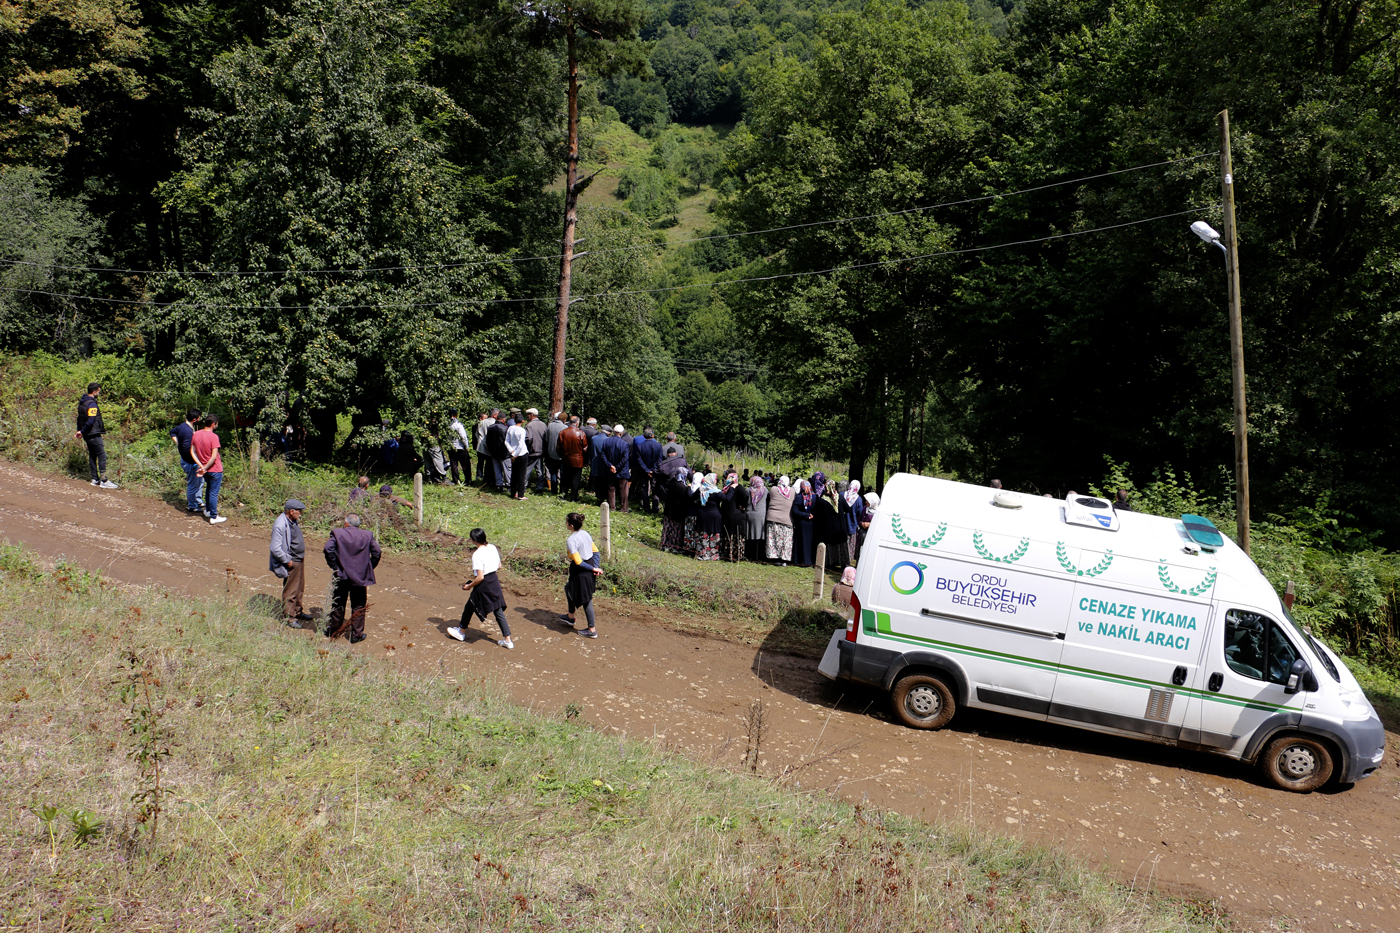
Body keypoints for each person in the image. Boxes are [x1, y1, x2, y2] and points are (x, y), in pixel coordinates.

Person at [447, 528, 512, 648]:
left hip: (484, 585)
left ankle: (461, 632)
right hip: (494, 582)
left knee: (470, 605)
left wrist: (469, 586)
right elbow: (499, 566)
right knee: (498, 610)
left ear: (473, 540)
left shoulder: (477, 555)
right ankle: (507, 640)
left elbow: (480, 577)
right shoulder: (492, 547)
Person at [323, 513, 381, 645]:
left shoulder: (337, 533)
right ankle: (356, 635)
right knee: (359, 605)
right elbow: (377, 552)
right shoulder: (367, 535)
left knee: (338, 603)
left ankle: (333, 631)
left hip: (342, 575)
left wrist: (335, 566)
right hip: (360, 576)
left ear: (346, 522)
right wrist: (369, 567)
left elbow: (328, 549)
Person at [560, 512, 604, 638]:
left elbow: (578, 562)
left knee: (586, 599)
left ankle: (592, 630)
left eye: (566, 521)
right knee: (568, 588)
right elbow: (596, 552)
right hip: (588, 566)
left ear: (571, 525)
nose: (565, 523)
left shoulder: (571, 540)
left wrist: (593, 569)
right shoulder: (585, 533)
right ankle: (570, 616)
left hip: (581, 570)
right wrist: (595, 567)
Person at [269, 499, 312, 627]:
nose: (300, 514)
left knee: (299, 588)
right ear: (291, 511)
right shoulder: (280, 524)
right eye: (299, 511)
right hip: (291, 561)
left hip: (299, 559)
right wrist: (287, 561)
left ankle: (297, 611)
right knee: (291, 590)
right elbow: (275, 548)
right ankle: (289, 617)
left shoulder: (292, 521)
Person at [75, 381, 118, 489]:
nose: (99, 393)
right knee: (102, 455)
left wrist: (80, 431)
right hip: (93, 433)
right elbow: (91, 421)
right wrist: (83, 431)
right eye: (98, 391)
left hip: (87, 434)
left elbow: (79, 419)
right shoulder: (92, 404)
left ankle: (95, 479)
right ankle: (104, 480)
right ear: (94, 391)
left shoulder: (82, 403)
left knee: (92, 455)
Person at [191, 413, 226, 524]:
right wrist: (205, 467)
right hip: (215, 469)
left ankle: (207, 510)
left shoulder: (196, 434)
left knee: (208, 489)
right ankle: (214, 516)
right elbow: (214, 456)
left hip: (204, 469)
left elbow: (192, 451)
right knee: (213, 493)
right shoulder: (214, 437)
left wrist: (201, 466)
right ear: (213, 424)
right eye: (216, 424)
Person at [170, 407, 202, 512]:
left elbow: (172, 432)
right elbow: (187, 449)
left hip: (188, 460)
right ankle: (192, 506)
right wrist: (196, 461)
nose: (200, 419)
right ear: (194, 419)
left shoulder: (182, 426)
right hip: (190, 462)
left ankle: (198, 500)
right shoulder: (187, 431)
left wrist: (178, 442)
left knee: (200, 481)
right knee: (193, 484)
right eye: (199, 418)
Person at [631, 427, 664, 513]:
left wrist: (646, 470)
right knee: (655, 489)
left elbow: (639, 460)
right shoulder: (658, 445)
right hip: (655, 472)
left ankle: (647, 508)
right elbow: (659, 459)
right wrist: (653, 470)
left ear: (644, 435)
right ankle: (655, 508)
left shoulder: (640, 446)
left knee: (644, 490)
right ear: (653, 435)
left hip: (643, 471)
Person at [765, 475, 794, 565]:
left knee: (773, 540)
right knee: (785, 541)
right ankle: (784, 559)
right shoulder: (792, 491)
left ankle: (774, 558)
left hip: (773, 517)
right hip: (787, 519)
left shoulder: (773, 489)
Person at [660, 467, 691, 552]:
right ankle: (675, 546)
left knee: (667, 528)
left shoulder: (671, 482)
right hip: (678, 512)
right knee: (676, 530)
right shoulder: (683, 488)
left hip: (669, 509)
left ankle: (665, 544)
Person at [558, 415, 588, 502]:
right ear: (577, 423)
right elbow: (585, 449)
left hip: (566, 459)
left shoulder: (562, 433)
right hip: (578, 460)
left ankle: (562, 495)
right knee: (575, 480)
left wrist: (562, 456)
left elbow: (558, 447)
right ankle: (573, 498)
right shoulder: (581, 433)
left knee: (564, 479)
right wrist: (585, 460)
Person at [603, 424, 632, 511]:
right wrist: (617, 467)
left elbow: (603, 456)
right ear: (621, 432)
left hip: (610, 470)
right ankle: (623, 508)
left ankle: (612, 507)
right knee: (623, 490)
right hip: (621, 470)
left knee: (611, 489)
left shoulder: (606, 441)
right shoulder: (624, 444)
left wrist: (611, 466)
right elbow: (625, 458)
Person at [719, 471, 745, 561]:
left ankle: (727, 554)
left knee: (728, 535)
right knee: (735, 536)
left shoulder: (725, 488)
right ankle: (735, 555)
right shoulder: (738, 487)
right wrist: (743, 506)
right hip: (735, 514)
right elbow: (746, 496)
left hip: (726, 513)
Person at [790, 479, 817, 567]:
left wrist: (804, 515)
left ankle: (798, 559)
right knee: (809, 542)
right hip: (811, 523)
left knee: (800, 541)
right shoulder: (815, 497)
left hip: (801, 522)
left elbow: (794, 510)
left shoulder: (799, 497)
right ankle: (808, 560)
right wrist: (810, 515)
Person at [743, 474, 768, 561]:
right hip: (761, 515)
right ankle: (759, 556)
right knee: (760, 535)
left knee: (750, 534)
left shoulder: (748, 490)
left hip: (750, 514)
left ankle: (749, 555)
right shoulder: (765, 491)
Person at [524, 408, 548, 492]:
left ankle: (523, 486)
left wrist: (528, 447)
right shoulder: (543, 424)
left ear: (532, 415)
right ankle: (539, 487)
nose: (527, 416)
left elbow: (528, 438)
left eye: (528, 415)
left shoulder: (529, 425)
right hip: (541, 451)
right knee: (540, 469)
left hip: (533, 451)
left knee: (527, 469)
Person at [505, 414, 529, 500]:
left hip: (513, 453)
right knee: (521, 474)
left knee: (514, 474)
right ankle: (521, 494)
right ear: (522, 421)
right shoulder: (522, 430)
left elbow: (506, 441)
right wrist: (516, 454)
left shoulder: (510, 428)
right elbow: (521, 444)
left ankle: (512, 493)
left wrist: (511, 452)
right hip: (521, 453)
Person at [447, 409, 473, 486]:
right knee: (465, 465)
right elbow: (463, 436)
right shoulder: (458, 424)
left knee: (454, 465)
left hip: (451, 447)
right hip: (460, 447)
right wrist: (466, 446)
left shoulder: (446, 424)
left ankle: (456, 480)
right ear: (456, 415)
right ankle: (468, 481)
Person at [486, 409, 510, 491]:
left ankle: (499, 485)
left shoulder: (490, 428)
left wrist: (490, 451)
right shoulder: (505, 428)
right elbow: (507, 441)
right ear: (503, 420)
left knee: (497, 470)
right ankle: (509, 485)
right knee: (507, 470)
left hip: (493, 452)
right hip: (504, 453)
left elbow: (487, 441)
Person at [840, 480, 863, 564]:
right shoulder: (858, 499)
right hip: (852, 525)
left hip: (842, 524)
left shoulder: (842, 495)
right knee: (850, 545)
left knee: (842, 544)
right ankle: (848, 561)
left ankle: (841, 560)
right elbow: (859, 513)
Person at [544, 411, 566, 494]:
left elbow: (546, 439)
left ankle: (553, 490)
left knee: (553, 472)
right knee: (562, 473)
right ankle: (562, 491)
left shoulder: (550, 426)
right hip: (561, 455)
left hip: (551, 454)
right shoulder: (564, 427)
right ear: (564, 419)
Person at [857, 490, 879, 560]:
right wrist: (862, 524)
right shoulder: (864, 509)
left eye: (867, 501)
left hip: (873, 535)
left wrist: (870, 524)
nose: (866, 502)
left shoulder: (878, 511)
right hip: (863, 534)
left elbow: (879, 524)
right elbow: (859, 520)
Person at [474, 411, 493, 486]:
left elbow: (476, 434)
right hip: (487, 445)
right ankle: (486, 478)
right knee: (487, 463)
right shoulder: (490, 423)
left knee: (480, 462)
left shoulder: (480, 423)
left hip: (480, 445)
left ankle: (479, 476)